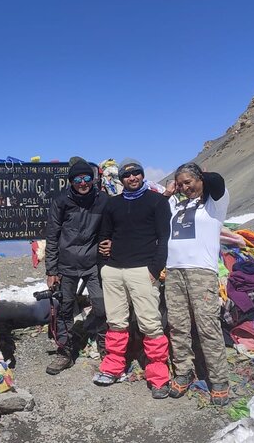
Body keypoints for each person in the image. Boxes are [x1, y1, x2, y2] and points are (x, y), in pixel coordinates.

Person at [93, 158, 172, 399]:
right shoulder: (112, 204)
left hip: (143, 270)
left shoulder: (157, 201)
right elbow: (104, 234)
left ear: (142, 175)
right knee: (116, 321)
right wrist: (103, 258)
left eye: (136, 173)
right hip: (114, 271)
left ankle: (158, 375)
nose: (132, 178)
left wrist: (155, 268)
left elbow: (164, 238)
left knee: (150, 323)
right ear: (121, 179)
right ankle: (113, 367)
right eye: (127, 175)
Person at [163, 163, 230, 405]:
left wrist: (198, 176)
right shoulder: (177, 204)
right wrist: (170, 192)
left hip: (201, 272)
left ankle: (219, 379)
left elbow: (217, 180)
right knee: (178, 325)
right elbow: (158, 210)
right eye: (180, 184)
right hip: (173, 272)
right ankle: (184, 371)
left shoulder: (214, 203)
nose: (184, 187)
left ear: (200, 179)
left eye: (188, 182)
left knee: (207, 326)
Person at [44, 158, 108, 374]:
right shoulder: (61, 202)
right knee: (64, 310)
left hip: (94, 265)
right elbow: (52, 237)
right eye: (78, 179)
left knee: (101, 308)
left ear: (93, 179)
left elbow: (115, 227)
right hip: (66, 266)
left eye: (87, 178)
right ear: (71, 182)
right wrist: (51, 270)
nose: (83, 183)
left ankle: (106, 351)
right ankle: (65, 353)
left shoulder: (103, 201)